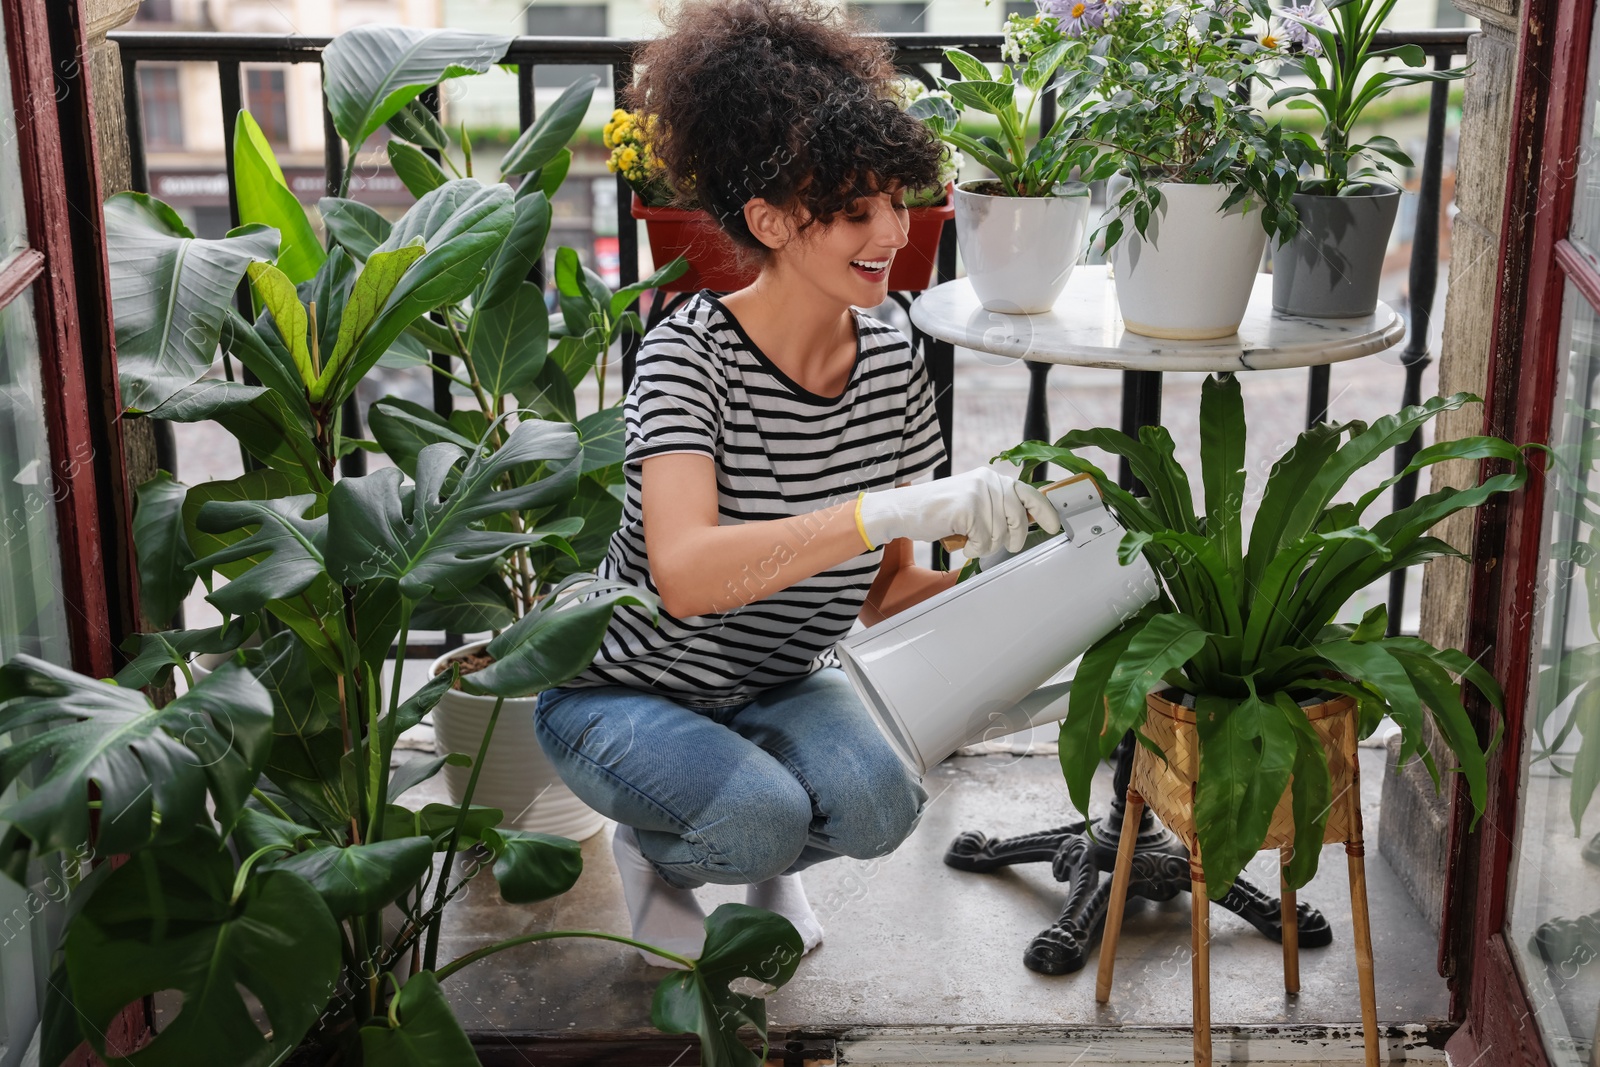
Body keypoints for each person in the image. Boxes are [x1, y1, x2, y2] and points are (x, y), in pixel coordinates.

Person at [532, 0, 1061, 968]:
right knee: (758, 815)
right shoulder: (688, 353)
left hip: (777, 679)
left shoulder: (896, 352)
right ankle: (666, 853)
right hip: (624, 689)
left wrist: (1034, 573)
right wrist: (885, 508)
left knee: (881, 803)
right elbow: (686, 576)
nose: (893, 232)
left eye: (896, 201)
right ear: (771, 221)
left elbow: (885, 591)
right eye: (854, 211)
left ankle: (761, 850)